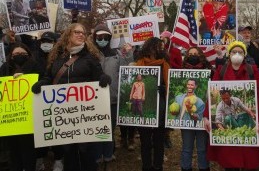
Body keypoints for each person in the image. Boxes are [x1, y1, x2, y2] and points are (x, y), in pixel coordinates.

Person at [32, 23, 111, 171]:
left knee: (86, 151)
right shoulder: (57, 58)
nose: (81, 35)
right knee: (68, 153)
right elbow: (49, 76)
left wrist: (104, 78)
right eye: (77, 32)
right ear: (68, 35)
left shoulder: (90, 57)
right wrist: (42, 83)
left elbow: (99, 75)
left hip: (85, 115)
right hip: (63, 116)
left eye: (83, 32)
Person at [203, 40, 259, 170]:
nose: (237, 54)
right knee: (230, 163)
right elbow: (211, 96)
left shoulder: (253, 71)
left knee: (249, 161)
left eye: (240, 52)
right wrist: (206, 117)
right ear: (229, 54)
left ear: (244, 55)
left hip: (243, 126)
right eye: (234, 52)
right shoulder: (221, 71)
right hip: (230, 127)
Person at [92, 23, 133, 168]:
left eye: (105, 37)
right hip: (94, 98)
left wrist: (128, 53)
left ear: (109, 38)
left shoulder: (116, 54)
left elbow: (127, 67)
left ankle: (108, 153)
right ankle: (97, 155)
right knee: (97, 127)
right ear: (94, 37)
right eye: (99, 37)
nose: (102, 39)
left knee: (110, 127)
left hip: (113, 97)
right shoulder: (90, 53)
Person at [0, 42, 42, 171]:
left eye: (23, 54)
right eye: (16, 54)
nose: (19, 56)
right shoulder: (5, 67)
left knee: (28, 149)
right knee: (13, 151)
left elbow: (43, 82)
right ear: (11, 55)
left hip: (29, 117)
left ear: (28, 54)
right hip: (11, 119)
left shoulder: (36, 66)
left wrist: (26, 79)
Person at [135, 37, 170, 171]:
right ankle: (146, 166)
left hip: (160, 106)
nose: (159, 49)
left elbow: (170, 86)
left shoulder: (165, 64)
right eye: (157, 46)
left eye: (161, 47)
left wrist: (165, 89)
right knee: (145, 141)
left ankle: (158, 166)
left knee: (158, 140)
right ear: (149, 47)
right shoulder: (139, 63)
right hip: (144, 105)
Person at [33, 31, 64, 171]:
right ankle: (40, 157)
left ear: (54, 43)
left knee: (57, 128)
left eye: (49, 41)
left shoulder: (60, 58)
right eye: (44, 41)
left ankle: (58, 159)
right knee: (41, 128)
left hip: (57, 98)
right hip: (38, 98)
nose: (46, 44)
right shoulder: (33, 57)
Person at [177, 46, 211, 171]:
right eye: (190, 54)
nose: (193, 56)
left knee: (202, 148)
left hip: (202, 122)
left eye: (196, 54)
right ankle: (186, 168)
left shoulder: (208, 71)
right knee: (186, 148)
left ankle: (204, 167)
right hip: (186, 125)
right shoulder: (179, 97)